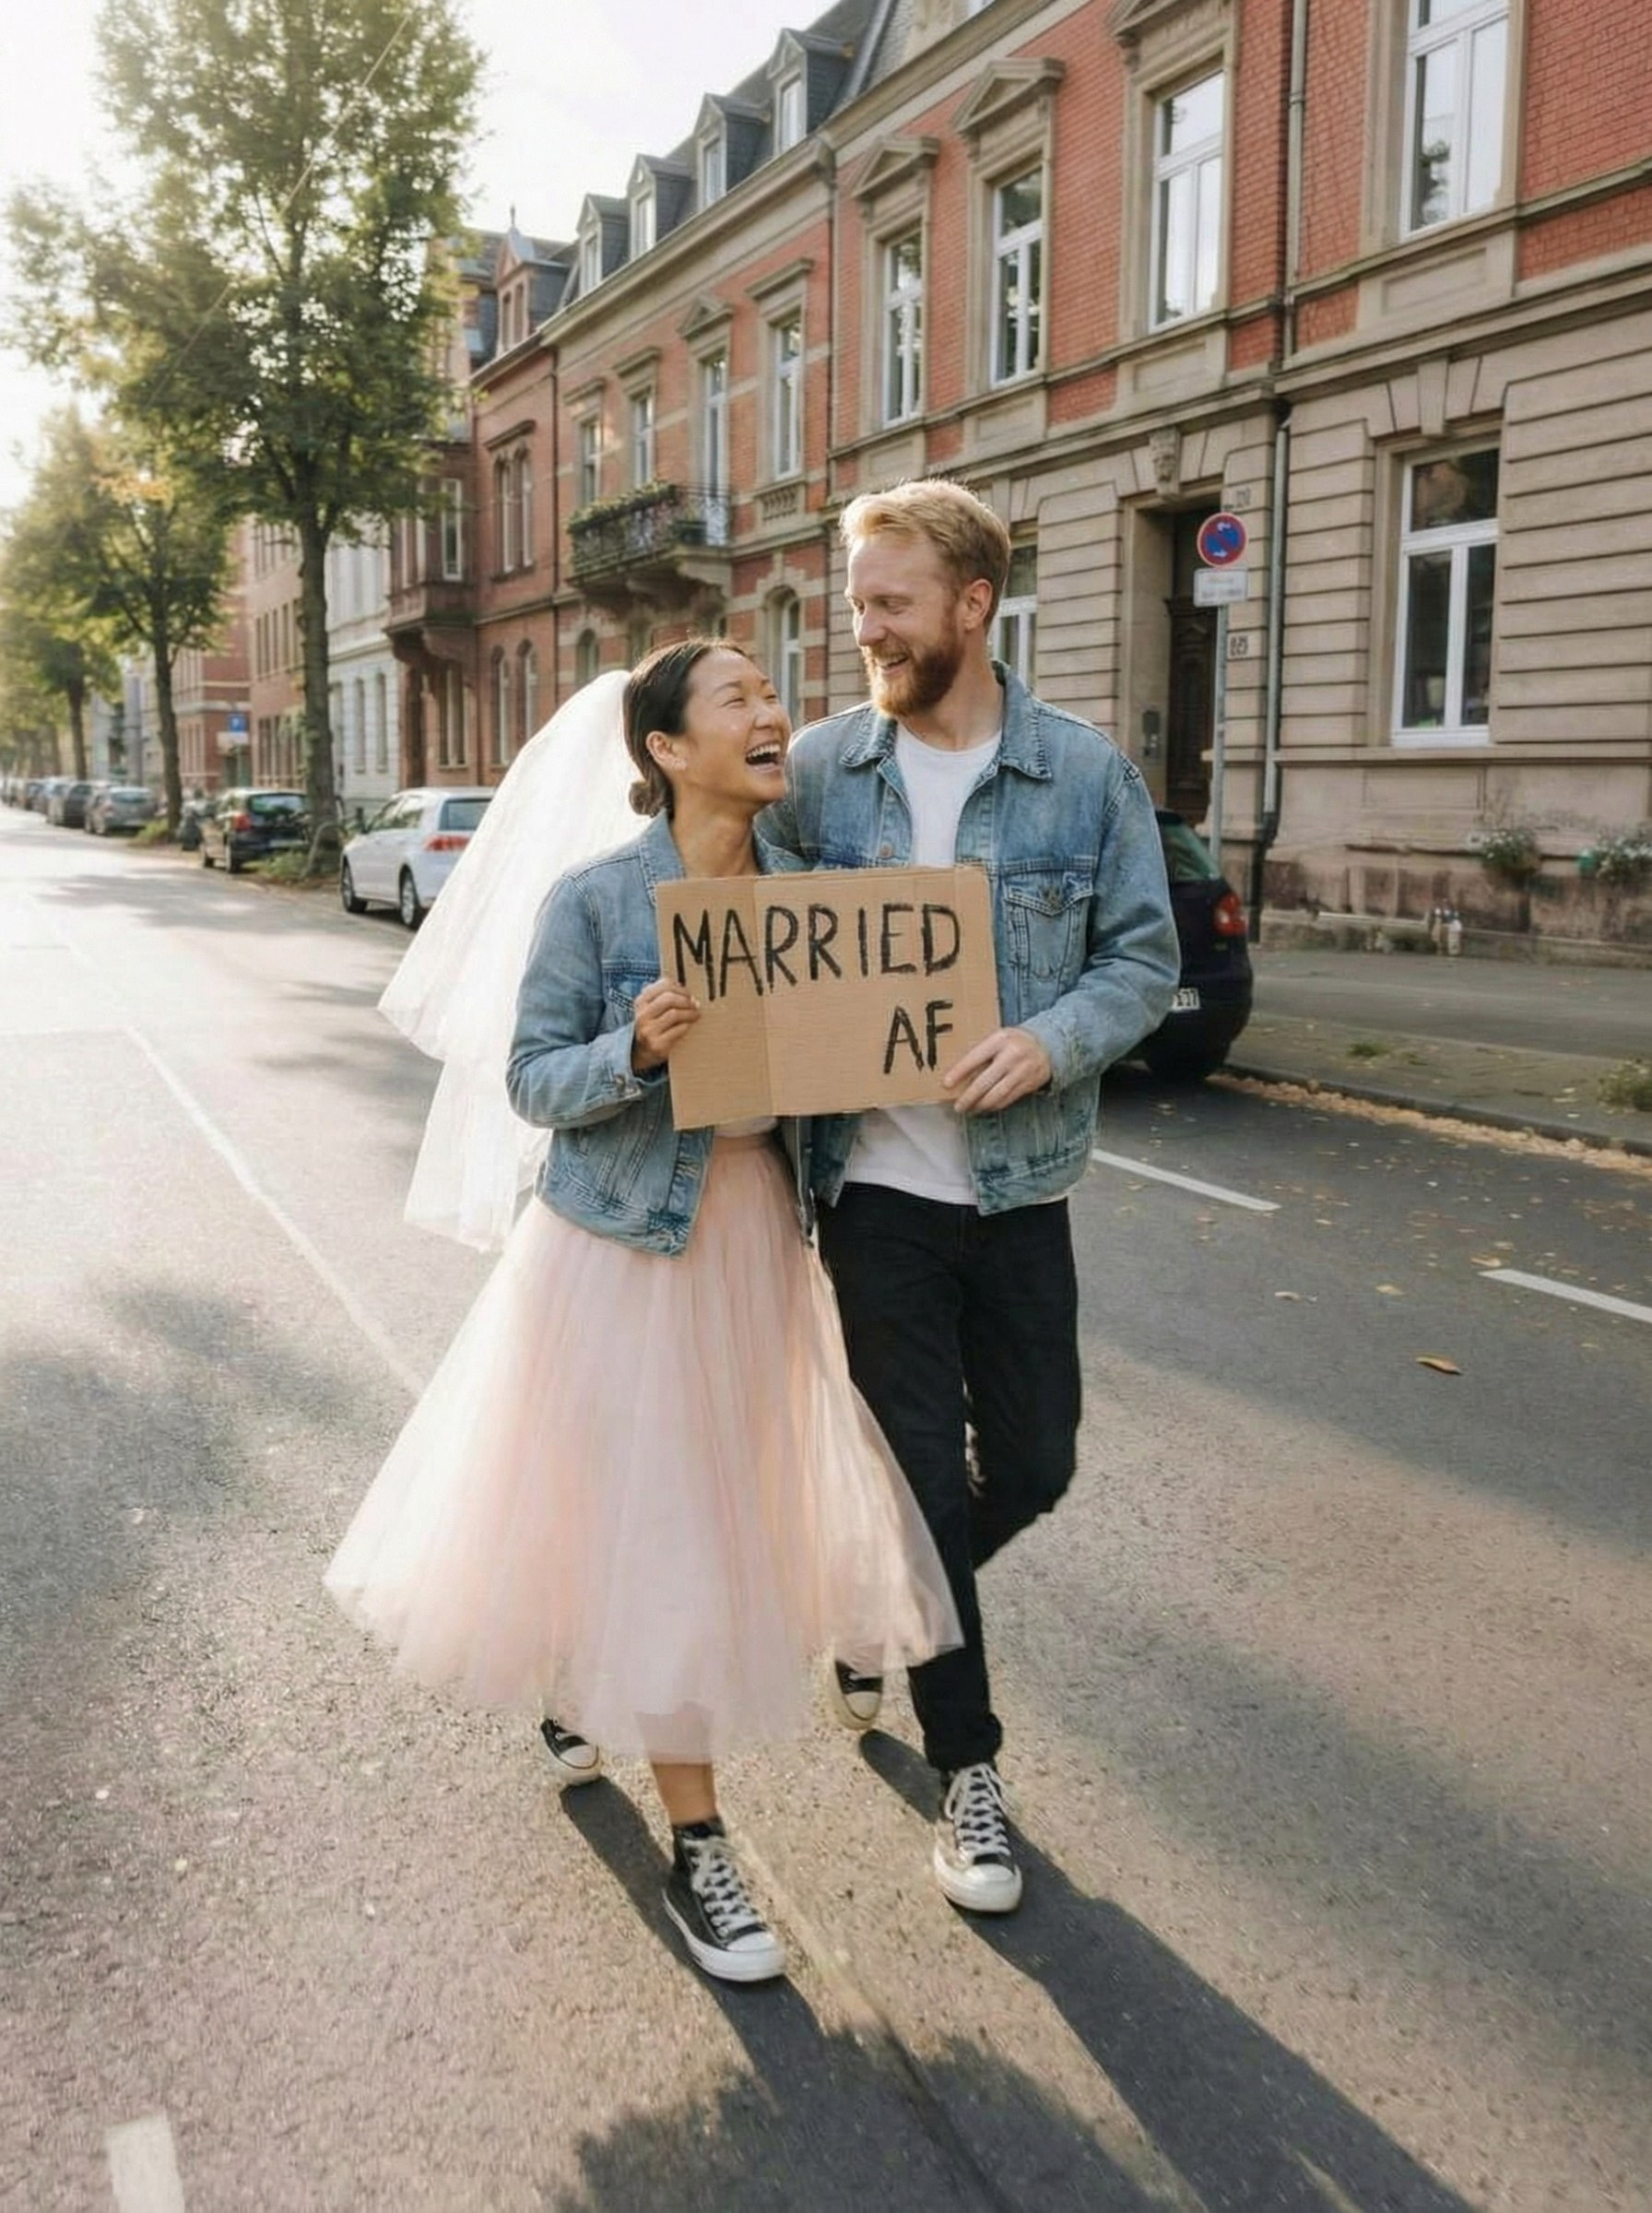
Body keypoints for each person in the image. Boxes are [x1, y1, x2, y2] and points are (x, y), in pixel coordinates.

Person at [325, 641, 958, 1985]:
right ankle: (703, 1848)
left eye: (772, 695)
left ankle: (584, 1678)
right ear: (667, 749)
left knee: (691, 1520)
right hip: (618, 1250)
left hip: (752, 1251)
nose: (771, 713)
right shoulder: (601, 902)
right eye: (737, 699)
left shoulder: (812, 905)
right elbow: (534, 1082)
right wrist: (636, 1049)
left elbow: (857, 1062)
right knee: (654, 1524)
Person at [761, 479, 1180, 1916]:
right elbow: (739, 922)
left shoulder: (1081, 773)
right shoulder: (820, 771)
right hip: (873, 1191)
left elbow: (1140, 959)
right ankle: (972, 1773)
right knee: (932, 1481)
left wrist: (1046, 1041)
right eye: (856, 600)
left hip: (1018, 1190)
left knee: (1039, 1462)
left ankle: (887, 1598)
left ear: (971, 605)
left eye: (887, 602)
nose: (862, 626)